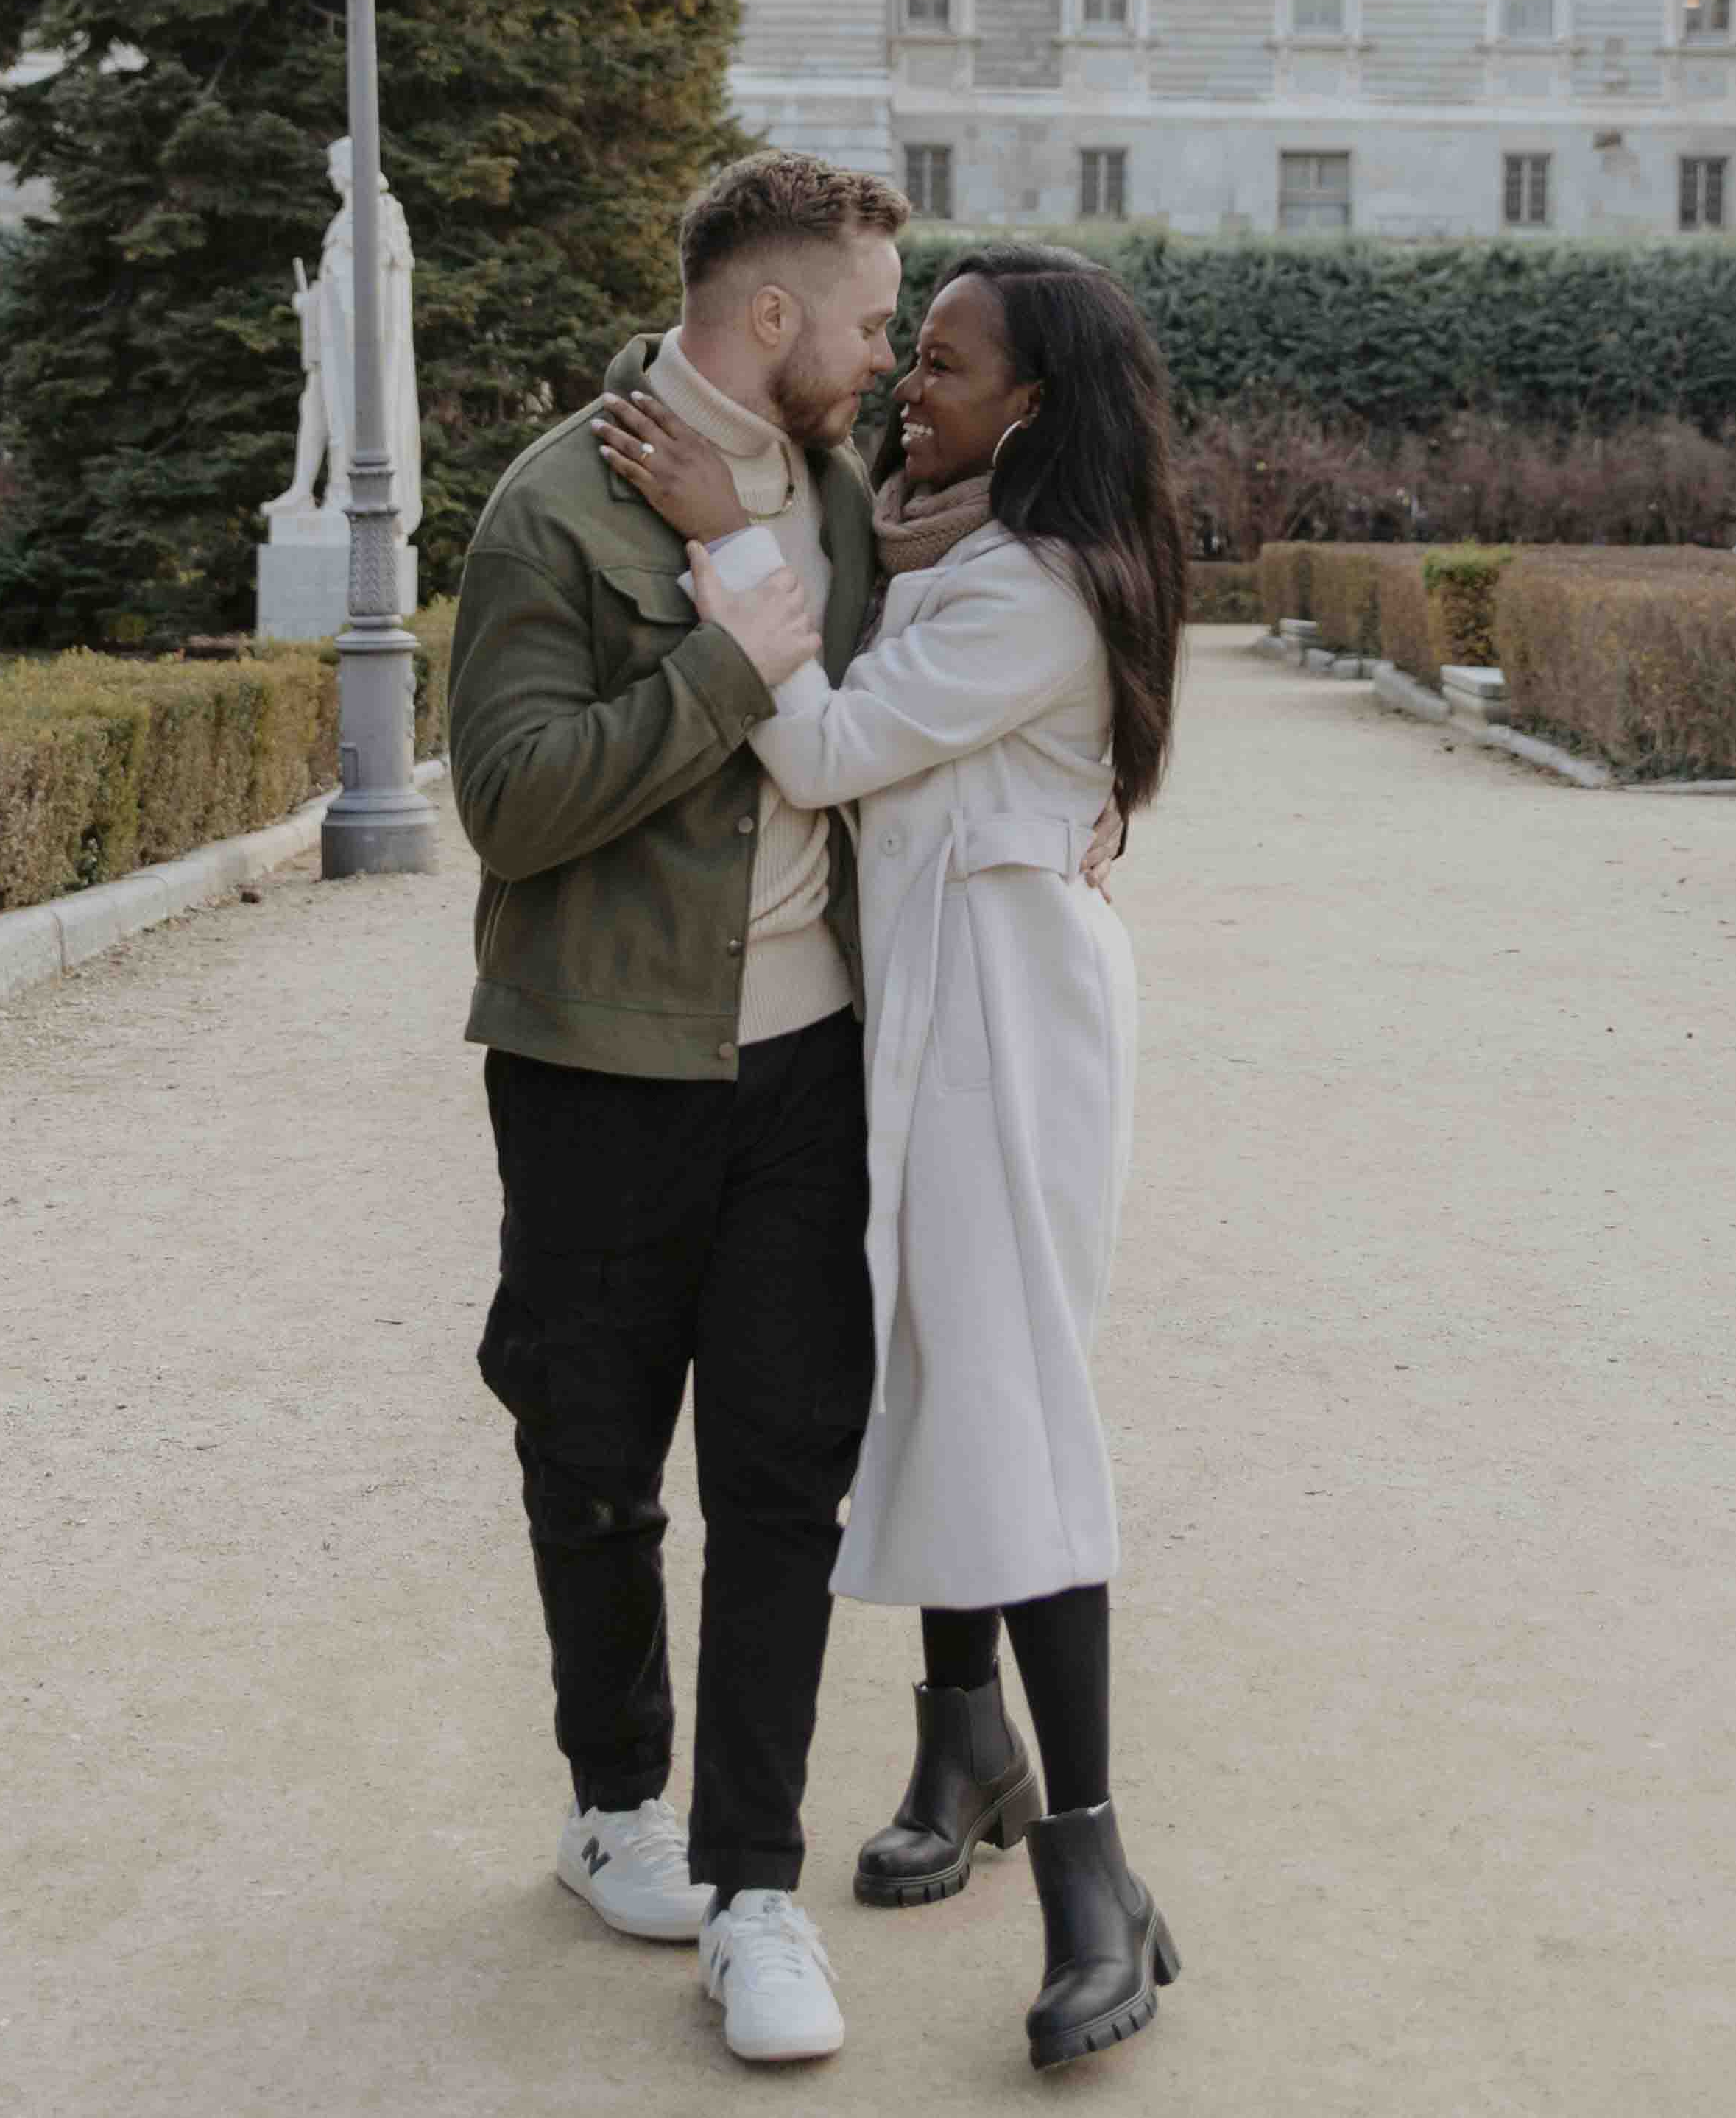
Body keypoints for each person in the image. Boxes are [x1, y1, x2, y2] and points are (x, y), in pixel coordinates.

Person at [596, 242, 1193, 2074]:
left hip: (1006, 1020)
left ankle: (1098, 1876)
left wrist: (728, 545)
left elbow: (831, 751)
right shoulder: (949, 547)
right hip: (926, 1004)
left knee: (1014, 1400)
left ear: (1034, 404)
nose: (907, 387)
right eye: (909, 350)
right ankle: (963, 1740)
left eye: (944, 364)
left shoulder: (1038, 587)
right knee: (934, 1372)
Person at [442, 151, 911, 2066]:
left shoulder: (846, 501)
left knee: (786, 1471)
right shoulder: (553, 503)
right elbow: (508, 802)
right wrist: (725, 667)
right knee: (592, 1449)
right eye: (868, 322)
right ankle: (612, 1801)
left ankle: (756, 1888)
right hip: (600, 1064)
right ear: (771, 314)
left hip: (813, 1066)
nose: (883, 356)